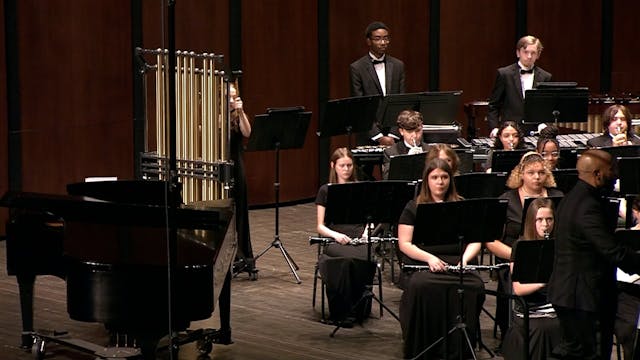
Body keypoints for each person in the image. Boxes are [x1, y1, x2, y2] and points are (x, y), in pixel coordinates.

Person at [547, 149, 640, 359]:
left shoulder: (574, 198)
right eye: (612, 170)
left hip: (571, 293)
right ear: (597, 173)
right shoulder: (587, 206)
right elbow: (611, 251)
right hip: (584, 297)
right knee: (594, 354)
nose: (616, 175)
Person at [398, 158, 484, 359]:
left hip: (457, 263)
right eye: (435, 177)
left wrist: (465, 260)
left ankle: (460, 347)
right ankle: (426, 346)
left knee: (477, 286)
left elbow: (475, 240)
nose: (440, 182)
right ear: (426, 180)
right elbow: (405, 244)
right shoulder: (414, 207)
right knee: (420, 285)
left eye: (444, 177)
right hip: (426, 264)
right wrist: (430, 259)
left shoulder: (462, 204)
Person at [485, 151, 562, 346]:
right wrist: (518, 256)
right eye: (531, 173)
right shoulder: (507, 199)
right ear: (521, 174)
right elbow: (490, 240)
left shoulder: (557, 197)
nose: (537, 177)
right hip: (513, 259)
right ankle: (514, 334)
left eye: (541, 172)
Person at [316, 148, 374, 326]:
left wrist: (366, 233)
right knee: (346, 260)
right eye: (342, 166)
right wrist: (337, 236)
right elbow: (320, 227)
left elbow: (370, 220)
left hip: (359, 239)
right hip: (335, 240)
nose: (346, 169)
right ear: (333, 166)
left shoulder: (361, 189)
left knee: (360, 257)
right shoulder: (325, 191)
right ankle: (344, 313)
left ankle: (358, 310)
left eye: (349, 165)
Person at [502, 197, 562, 360]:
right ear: (531, 221)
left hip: (557, 304)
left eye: (549, 219)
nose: (545, 225)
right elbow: (519, 289)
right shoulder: (521, 247)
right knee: (546, 328)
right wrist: (546, 281)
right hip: (532, 309)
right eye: (540, 220)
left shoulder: (560, 244)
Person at [350, 21, 406, 149]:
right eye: (378, 39)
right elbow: (360, 105)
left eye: (386, 38)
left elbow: (401, 102)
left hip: (394, 134)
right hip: (367, 133)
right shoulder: (357, 68)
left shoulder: (398, 65)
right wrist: (378, 136)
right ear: (369, 41)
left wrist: (393, 134)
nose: (383, 42)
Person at [488, 35, 552, 137]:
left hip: (534, 132)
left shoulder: (545, 77)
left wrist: (543, 125)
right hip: (510, 132)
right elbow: (493, 106)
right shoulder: (504, 74)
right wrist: (494, 128)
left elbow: (547, 107)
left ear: (538, 55)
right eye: (526, 52)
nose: (529, 56)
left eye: (533, 53)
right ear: (518, 53)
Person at [229, 82, 258, 279]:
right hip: (221, 165)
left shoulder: (237, 115)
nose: (232, 100)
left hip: (237, 165)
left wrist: (241, 111)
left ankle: (242, 254)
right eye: (228, 97)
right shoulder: (213, 114)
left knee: (240, 210)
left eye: (234, 96)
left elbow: (247, 133)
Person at [381, 110, 429, 179]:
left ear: (422, 128)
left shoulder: (431, 150)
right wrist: (407, 161)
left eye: (418, 131)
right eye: (409, 132)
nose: (414, 135)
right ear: (401, 131)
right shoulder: (390, 152)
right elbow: (387, 179)